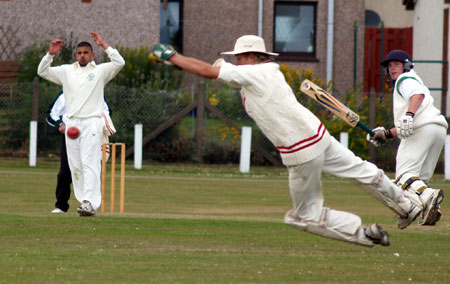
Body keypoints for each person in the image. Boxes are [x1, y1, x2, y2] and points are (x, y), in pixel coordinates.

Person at [151, 35, 423, 247]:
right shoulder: (265, 73)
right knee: (362, 170)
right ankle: (407, 206)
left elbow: (211, 73)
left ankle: (364, 233)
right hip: (318, 136)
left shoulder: (255, 73)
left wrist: (174, 57)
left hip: (301, 151)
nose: (236, 62)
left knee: (302, 216)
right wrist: (180, 63)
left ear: (251, 57)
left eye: (239, 57)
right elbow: (222, 73)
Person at [38, 32, 125, 216]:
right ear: (75, 55)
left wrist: (104, 45)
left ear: (92, 55)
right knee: (75, 165)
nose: (82, 55)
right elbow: (42, 71)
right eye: (79, 53)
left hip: (92, 122)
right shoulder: (66, 71)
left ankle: (90, 202)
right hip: (72, 124)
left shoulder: (100, 71)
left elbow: (120, 63)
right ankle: (84, 201)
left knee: (89, 162)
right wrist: (50, 54)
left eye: (86, 52)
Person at [367, 50, 447, 226]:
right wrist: (386, 134)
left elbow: (417, 96)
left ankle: (426, 198)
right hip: (437, 130)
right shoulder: (414, 80)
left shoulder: (405, 80)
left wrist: (409, 114)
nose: (392, 68)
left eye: (396, 64)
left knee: (404, 176)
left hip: (422, 130)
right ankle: (422, 210)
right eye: (390, 66)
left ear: (406, 66)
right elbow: (407, 124)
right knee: (417, 180)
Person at [46, 91, 112, 213]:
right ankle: (61, 206)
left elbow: (106, 112)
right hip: (70, 136)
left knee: (89, 168)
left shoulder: (95, 92)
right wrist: (59, 124)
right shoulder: (66, 92)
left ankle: (89, 203)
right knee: (65, 171)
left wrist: (99, 125)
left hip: (90, 135)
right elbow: (51, 114)